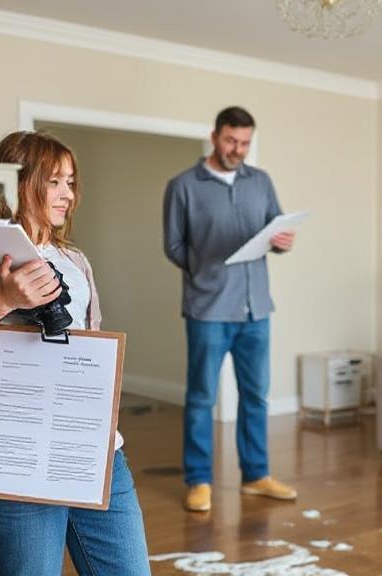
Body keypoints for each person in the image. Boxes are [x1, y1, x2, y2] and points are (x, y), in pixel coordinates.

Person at [0, 131, 151, 575]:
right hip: (20, 453)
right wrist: (5, 299)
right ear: (20, 180)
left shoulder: (76, 260)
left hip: (97, 451)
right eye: (54, 181)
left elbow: (91, 339)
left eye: (71, 182)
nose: (68, 194)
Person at [163, 106, 297, 512]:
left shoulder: (261, 181)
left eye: (244, 143)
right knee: (202, 397)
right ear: (214, 136)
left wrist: (281, 242)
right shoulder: (183, 185)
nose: (237, 149)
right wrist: (205, 267)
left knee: (256, 396)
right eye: (230, 141)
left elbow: (276, 226)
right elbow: (173, 245)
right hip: (208, 308)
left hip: (256, 309)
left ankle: (256, 476)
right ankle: (199, 480)